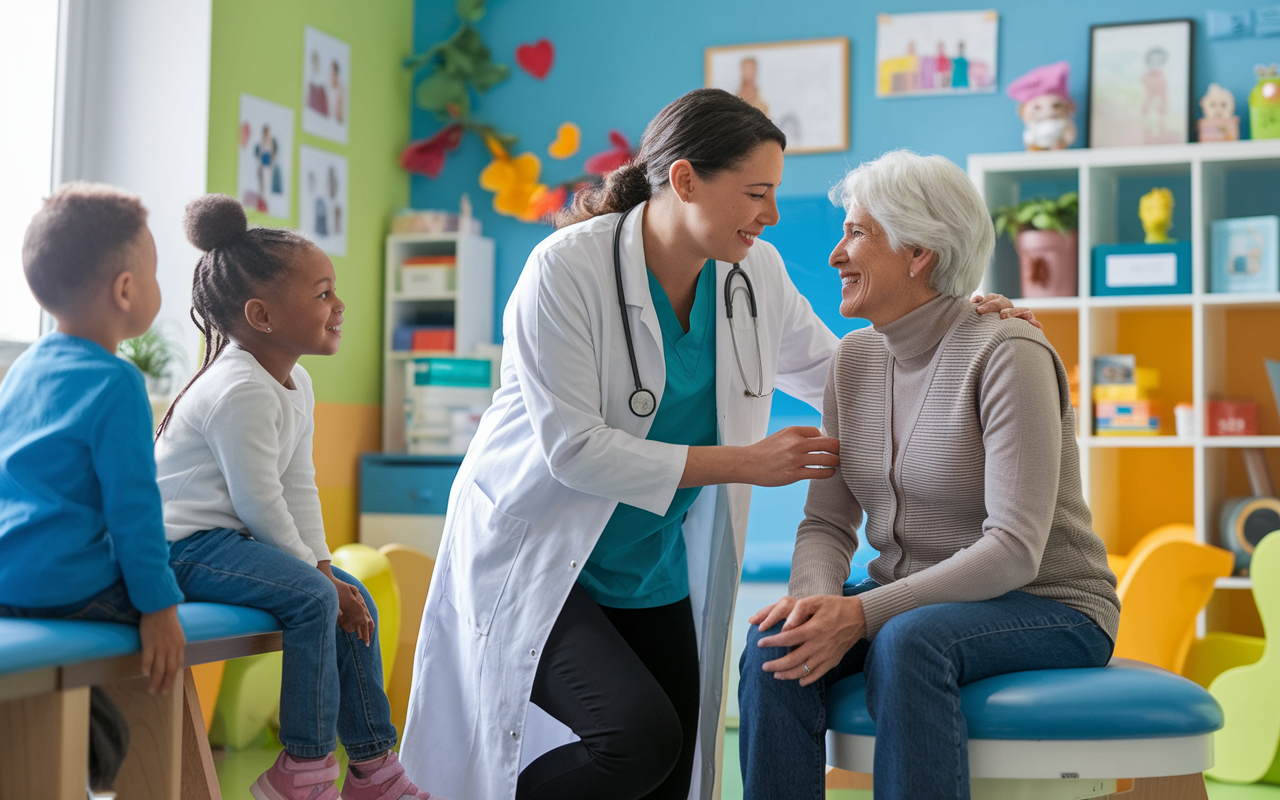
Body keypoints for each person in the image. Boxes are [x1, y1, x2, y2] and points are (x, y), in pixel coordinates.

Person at [398, 89, 1035, 800]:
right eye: (757, 193)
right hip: (542, 551)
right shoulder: (565, 270)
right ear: (686, 180)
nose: (772, 215)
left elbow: (848, 375)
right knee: (636, 741)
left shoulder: (752, 274)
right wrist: (745, 464)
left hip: (649, 562)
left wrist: (954, 319)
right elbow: (573, 449)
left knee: (671, 770)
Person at [737, 150, 1120, 800]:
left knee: (910, 641)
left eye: (857, 233)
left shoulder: (1008, 351)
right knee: (776, 643)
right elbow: (827, 521)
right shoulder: (852, 361)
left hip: (1047, 604)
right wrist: (812, 606)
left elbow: (1013, 552)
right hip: (917, 600)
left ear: (919, 253)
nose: (835, 255)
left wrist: (859, 618)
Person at [153, 195, 442, 800]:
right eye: (321, 293)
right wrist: (317, 577)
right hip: (182, 548)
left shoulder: (293, 381)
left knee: (348, 591)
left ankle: (373, 768)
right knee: (316, 596)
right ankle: (303, 770)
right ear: (261, 315)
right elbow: (259, 501)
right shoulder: (239, 390)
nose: (338, 305)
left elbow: (296, 485)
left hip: (230, 542)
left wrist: (327, 564)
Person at [0, 182, 186, 791]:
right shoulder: (117, 383)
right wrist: (160, 607)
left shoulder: (23, 368)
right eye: (155, 271)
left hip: (8, 578)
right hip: (70, 586)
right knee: (173, 600)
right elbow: (134, 510)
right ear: (126, 290)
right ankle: (96, 753)